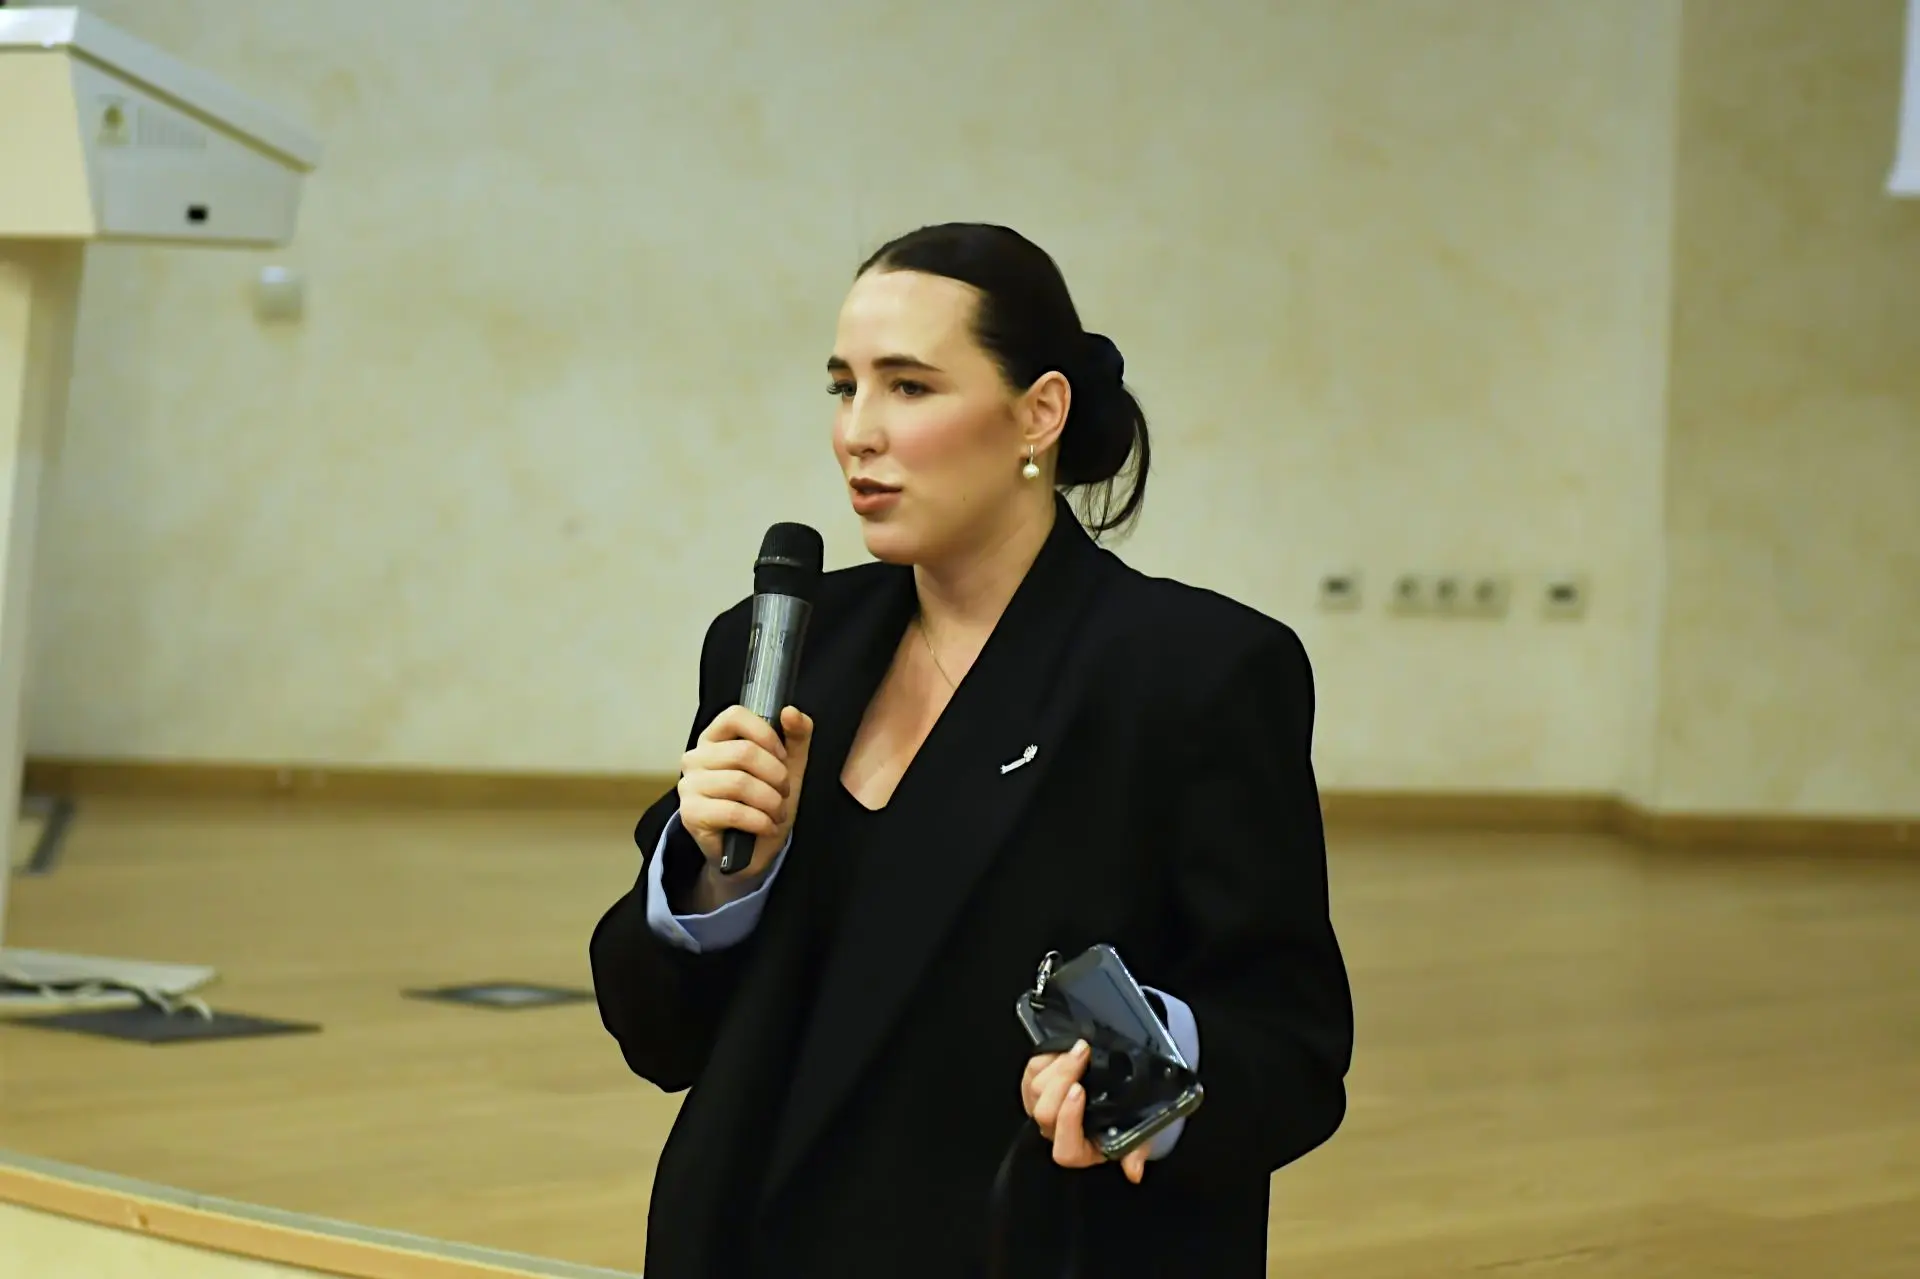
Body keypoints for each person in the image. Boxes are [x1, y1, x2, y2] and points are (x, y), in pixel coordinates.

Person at [589, 222, 1353, 1278]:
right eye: (843, 387)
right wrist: (716, 885)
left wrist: (1140, 1076)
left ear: (1040, 411)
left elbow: (1291, 1047)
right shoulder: (777, 648)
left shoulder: (1195, 672)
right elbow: (659, 1038)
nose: (857, 433)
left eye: (908, 386)